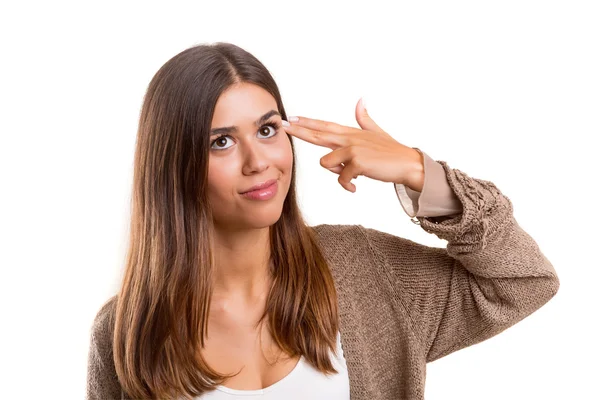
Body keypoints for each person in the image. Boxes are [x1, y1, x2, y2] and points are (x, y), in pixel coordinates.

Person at [86, 42, 560, 400]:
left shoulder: (362, 269)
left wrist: (419, 171)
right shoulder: (126, 332)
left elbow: (523, 281)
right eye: (221, 142)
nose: (259, 161)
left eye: (268, 130)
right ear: (173, 166)